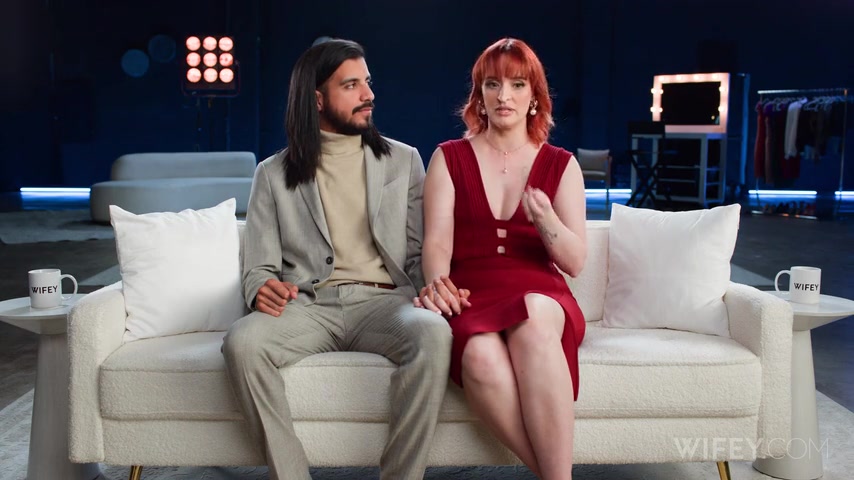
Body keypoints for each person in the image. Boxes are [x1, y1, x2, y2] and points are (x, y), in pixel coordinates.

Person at [222, 38, 452, 480]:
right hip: (309, 306)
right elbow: (259, 266)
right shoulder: (272, 173)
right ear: (317, 99)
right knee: (242, 343)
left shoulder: (404, 161)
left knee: (434, 334)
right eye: (351, 85)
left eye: (368, 82)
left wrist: (432, 287)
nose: (368, 94)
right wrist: (261, 288)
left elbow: (419, 253)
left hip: (386, 302)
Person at [416, 38, 587, 480]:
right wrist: (438, 283)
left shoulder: (562, 164)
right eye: (492, 84)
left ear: (535, 97)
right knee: (479, 358)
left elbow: (575, 262)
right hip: (472, 295)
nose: (503, 96)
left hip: (541, 294)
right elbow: (437, 244)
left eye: (517, 84)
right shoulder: (448, 158)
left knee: (531, 316)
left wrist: (546, 220)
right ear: (479, 95)